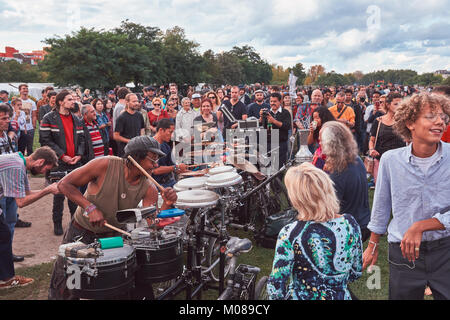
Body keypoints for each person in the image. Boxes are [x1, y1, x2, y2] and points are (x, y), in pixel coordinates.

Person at [48, 135, 177, 299]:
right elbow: (64, 184)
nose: (156, 164)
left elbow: (152, 227)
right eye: (153, 159)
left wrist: (166, 204)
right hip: (82, 232)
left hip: (114, 237)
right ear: (135, 157)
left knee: (115, 283)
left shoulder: (149, 187)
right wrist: (90, 207)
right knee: (70, 282)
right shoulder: (105, 164)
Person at [363, 92, 450, 300]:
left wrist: (422, 225)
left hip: (445, 251)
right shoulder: (391, 160)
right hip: (402, 253)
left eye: (443, 117)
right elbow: (382, 206)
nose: (440, 122)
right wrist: (373, 244)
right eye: (430, 116)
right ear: (410, 122)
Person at [267, 162, 362, 300]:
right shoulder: (350, 223)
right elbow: (355, 272)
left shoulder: (290, 233)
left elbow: (276, 287)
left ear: (298, 199)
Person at [0, 146, 59, 290]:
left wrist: (51, 190)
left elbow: (27, 192)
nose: (45, 172)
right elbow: (21, 202)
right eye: (46, 168)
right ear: (40, 162)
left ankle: (6, 278)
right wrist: (47, 190)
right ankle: (7, 279)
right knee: (4, 235)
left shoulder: (21, 162)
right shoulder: (17, 166)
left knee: (3, 235)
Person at [40, 90, 86, 235]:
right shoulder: (49, 118)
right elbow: (45, 141)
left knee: (75, 195)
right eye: (70, 99)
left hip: (75, 163)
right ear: (61, 102)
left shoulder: (77, 119)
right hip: (58, 163)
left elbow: (82, 139)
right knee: (58, 194)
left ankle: (75, 224)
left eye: (73, 99)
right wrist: (61, 156)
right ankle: (57, 224)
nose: (74, 102)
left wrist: (79, 154)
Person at [320, 121, 371, 241]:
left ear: (331, 143)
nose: (320, 143)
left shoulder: (340, 170)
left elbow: (330, 209)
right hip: (362, 221)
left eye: (322, 140)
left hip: (349, 228)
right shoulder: (355, 158)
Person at [368, 92, 406, 184]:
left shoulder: (404, 121)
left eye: (401, 104)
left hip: (399, 161)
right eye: (396, 104)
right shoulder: (379, 121)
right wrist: (371, 149)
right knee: (382, 189)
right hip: (381, 160)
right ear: (388, 105)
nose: (399, 106)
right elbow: (371, 140)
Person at [151, 119, 188, 188]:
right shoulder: (151, 146)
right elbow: (155, 170)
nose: (172, 135)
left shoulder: (166, 146)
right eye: (170, 132)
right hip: (158, 185)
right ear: (161, 130)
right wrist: (176, 167)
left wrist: (191, 172)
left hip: (169, 182)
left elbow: (172, 167)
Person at [258, 93, 292, 167]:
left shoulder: (285, 113)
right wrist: (261, 117)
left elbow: (287, 126)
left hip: (281, 144)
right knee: (268, 167)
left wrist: (274, 121)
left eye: (275, 101)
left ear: (280, 101)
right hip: (268, 144)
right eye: (271, 101)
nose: (272, 103)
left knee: (279, 167)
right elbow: (260, 126)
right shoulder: (267, 113)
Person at [17, 84, 37, 156]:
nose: (25, 90)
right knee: (20, 147)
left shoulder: (32, 102)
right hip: (19, 128)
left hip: (29, 127)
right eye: (23, 88)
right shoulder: (16, 101)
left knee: (30, 147)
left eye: (26, 89)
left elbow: (34, 115)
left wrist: (34, 125)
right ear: (20, 90)